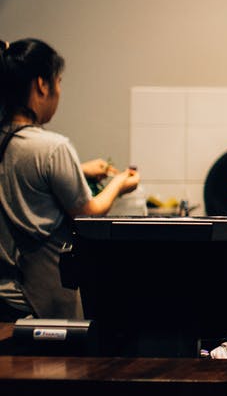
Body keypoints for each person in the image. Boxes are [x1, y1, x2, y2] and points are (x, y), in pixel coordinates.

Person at [0, 38, 139, 320]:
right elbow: (87, 214)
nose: (59, 91)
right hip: (42, 299)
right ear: (42, 84)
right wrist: (119, 183)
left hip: (5, 296)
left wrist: (81, 170)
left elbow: (23, 173)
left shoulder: (8, 139)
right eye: (58, 81)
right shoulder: (53, 147)